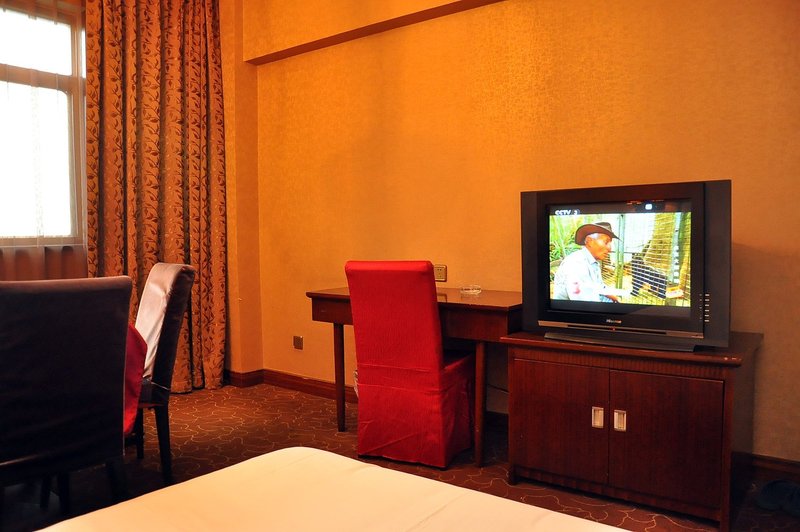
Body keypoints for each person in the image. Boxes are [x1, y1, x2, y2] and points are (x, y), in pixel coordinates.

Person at [552, 221, 620, 302]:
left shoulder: (593, 263)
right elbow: (586, 304)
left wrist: (615, 298)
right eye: (606, 242)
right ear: (589, 241)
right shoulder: (576, 265)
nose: (610, 248)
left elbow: (599, 286)